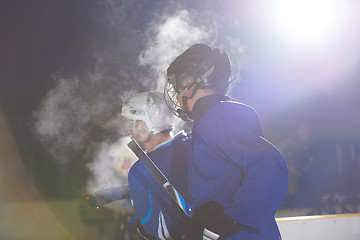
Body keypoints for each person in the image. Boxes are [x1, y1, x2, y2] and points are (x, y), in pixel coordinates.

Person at [164, 44, 289, 239]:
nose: (177, 98)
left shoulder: (217, 119)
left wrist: (230, 218)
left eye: (178, 88)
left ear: (189, 83)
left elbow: (270, 164)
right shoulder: (215, 119)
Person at [122, 91, 191, 239]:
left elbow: (157, 231)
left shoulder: (140, 171)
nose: (131, 131)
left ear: (148, 122)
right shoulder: (196, 141)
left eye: (133, 123)